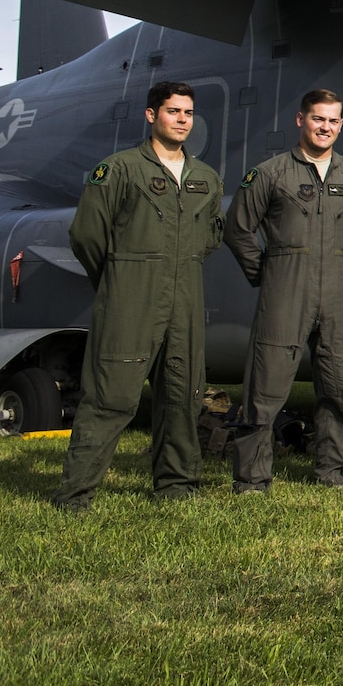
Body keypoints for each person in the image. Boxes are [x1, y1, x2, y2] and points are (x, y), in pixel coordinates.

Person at [53, 82, 226, 511]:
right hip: (129, 300)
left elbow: (210, 237)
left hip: (185, 299)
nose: (182, 119)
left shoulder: (206, 178)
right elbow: (87, 237)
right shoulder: (118, 170)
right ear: (151, 116)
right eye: (173, 111)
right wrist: (119, 278)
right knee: (111, 398)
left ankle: (177, 487)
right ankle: (75, 495)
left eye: (188, 112)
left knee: (183, 397)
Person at [223, 89, 343, 493]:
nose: (325, 127)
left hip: (337, 292)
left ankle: (336, 472)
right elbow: (238, 227)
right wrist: (266, 271)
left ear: (341, 125)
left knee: (339, 385)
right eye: (317, 119)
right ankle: (252, 479)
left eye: (332, 121)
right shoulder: (270, 173)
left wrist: (341, 261)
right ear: (301, 120)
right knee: (265, 386)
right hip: (284, 289)